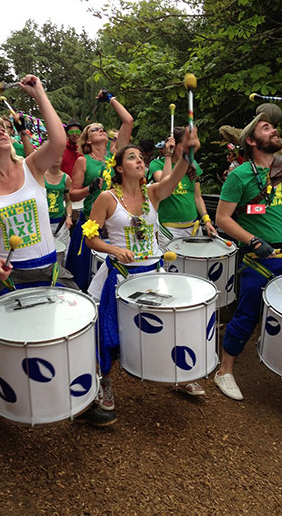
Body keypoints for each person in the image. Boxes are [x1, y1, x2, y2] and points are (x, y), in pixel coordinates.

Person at [0, 75, 116, 444]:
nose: (0, 132)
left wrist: (39, 92)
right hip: (8, 275)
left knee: (78, 328)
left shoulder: (32, 167)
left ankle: (86, 395)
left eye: (2, 128)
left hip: (49, 268)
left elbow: (60, 140)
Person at [85, 128, 204, 409]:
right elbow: (90, 237)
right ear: (118, 167)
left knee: (169, 325)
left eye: (141, 158)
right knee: (109, 332)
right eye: (132, 157)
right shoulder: (106, 199)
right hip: (120, 276)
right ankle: (103, 380)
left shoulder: (152, 193)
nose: (140, 161)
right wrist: (113, 249)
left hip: (153, 273)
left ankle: (179, 374)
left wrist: (187, 152)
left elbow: (175, 177)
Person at [215, 112, 282, 400]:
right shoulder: (240, 175)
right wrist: (253, 240)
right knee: (246, 315)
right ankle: (225, 371)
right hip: (260, 260)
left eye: (273, 127)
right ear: (251, 140)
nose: (274, 131)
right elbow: (223, 218)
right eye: (266, 128)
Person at [66, 89, 133, 291]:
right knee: (84, 278)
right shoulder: (82, 161)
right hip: (92, 225)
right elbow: (72, 194)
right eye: (95, 129)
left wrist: (111, 99)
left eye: (102, 128)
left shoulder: (115, 157)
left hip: (115, 225)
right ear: (87, 140)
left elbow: (128, 121)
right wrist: (89, 188)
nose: (101, 130)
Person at [149, 127, 217, 252]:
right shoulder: (157, 164)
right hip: (169, 229)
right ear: (174, 146)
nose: (188, 148)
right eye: (185, 145)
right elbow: (165, 184)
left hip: (193, 227)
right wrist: (168, 155)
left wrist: (207, 220)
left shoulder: (193, 164)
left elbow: (197, 197)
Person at [45, 157, 73, 256]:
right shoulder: (41, 176)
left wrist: (69, 216)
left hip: (60, 223)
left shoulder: (66, 178)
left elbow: (68, 201)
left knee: (63, 254)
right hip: (44, 222)